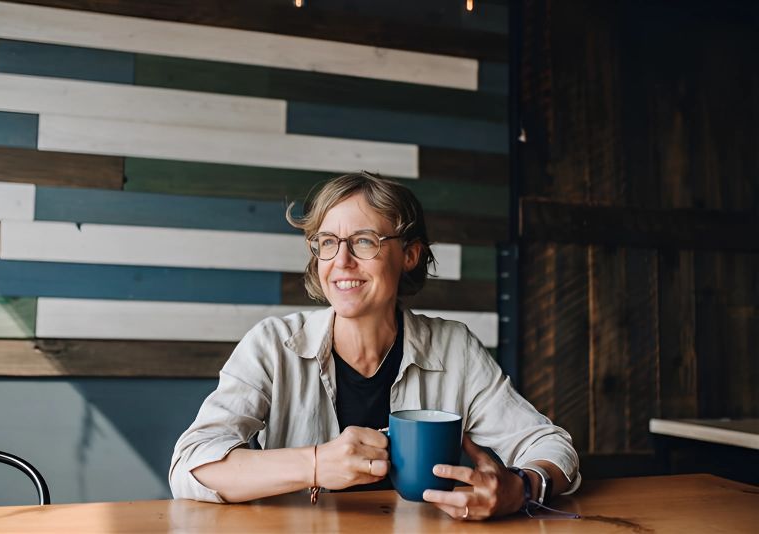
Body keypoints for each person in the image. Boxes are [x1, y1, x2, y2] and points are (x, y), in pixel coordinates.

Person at [169, 171, 580, 520]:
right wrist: (314, 464)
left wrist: (522, 488)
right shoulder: (273, 345)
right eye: (328, 242)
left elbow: (552, 447)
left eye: (364, 241)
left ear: (410, 255)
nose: (341, 261)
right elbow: (191, 465)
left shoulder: (454, 347)